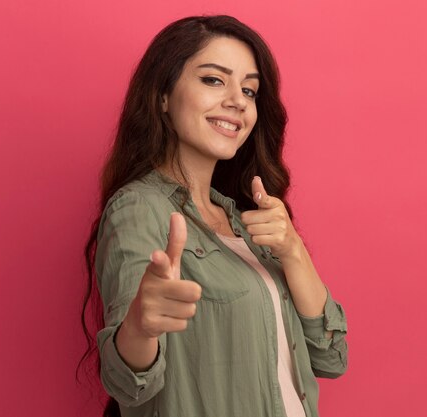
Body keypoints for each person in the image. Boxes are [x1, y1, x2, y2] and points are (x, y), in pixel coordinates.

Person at [81, 15, 348, 417]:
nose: (238, 100)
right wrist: (140, 325)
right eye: (213, 80)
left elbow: (331, 357)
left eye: (249, 90)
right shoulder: (139, 209)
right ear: (162, 97)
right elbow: (130, 386)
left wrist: (293, 251)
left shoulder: (245, 220)